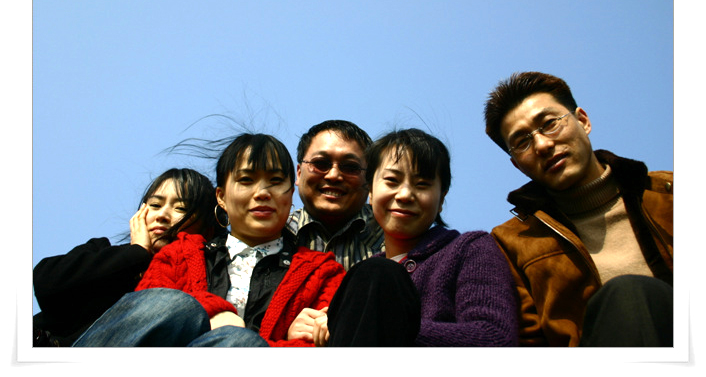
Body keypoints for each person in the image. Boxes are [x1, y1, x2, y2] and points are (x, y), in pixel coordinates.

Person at [74, 133, 346, 347]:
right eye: (246, 180)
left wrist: (250, 344)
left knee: (240, 343)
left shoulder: (322, 273)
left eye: (275, 180)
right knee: (173, 304)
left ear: (291, 195)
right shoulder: (179, 254)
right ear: (221, 197)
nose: (262, 192)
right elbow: (146, 317)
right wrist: (215, 313)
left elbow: (313, 351)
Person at [484, 71, 673, 346]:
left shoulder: (671, 193)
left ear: (583, 120)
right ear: (516, 164)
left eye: (550, 124)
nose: (542, 145)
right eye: (522, 142)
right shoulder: (510, 243)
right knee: (628, 293)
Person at [312, 128, 518, 347]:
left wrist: (384, 323)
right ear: (370, 192)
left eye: (422, 185)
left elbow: (494, 337)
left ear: (441, 199)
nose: (405, 195)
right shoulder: (362, 275)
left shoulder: (470, 249)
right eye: (392, 180)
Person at [33, 168, 225, 347]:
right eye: (155, 205)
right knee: (176, 304)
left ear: (208, 228)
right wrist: (136, 253)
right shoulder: (103, 252)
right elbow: (45, 283)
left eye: (181, 208)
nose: (162, 215)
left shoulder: (215, 275)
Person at [287, 119, 384, 270]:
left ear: (369, 180)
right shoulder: (276, 233)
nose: (333, 175)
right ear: (299, 174)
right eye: (320, 164)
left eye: (350, 167)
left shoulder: (393, 235)